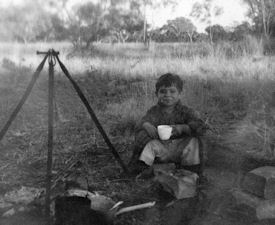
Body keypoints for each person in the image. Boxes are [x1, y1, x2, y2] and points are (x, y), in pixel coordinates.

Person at [129, 73, 207, 177]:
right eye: (163, 91)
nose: (167, 95)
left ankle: (191, 171)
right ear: (156, 94)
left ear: (180, 93)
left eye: (172, 91)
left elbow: (200, 126)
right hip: (162, 150)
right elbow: (142, 121)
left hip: (181, 149)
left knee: (195, 141)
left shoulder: (186, 111)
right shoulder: (154, 111)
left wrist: (183, 128)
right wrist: (146, 125)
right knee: (143, 135)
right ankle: (142, 169)